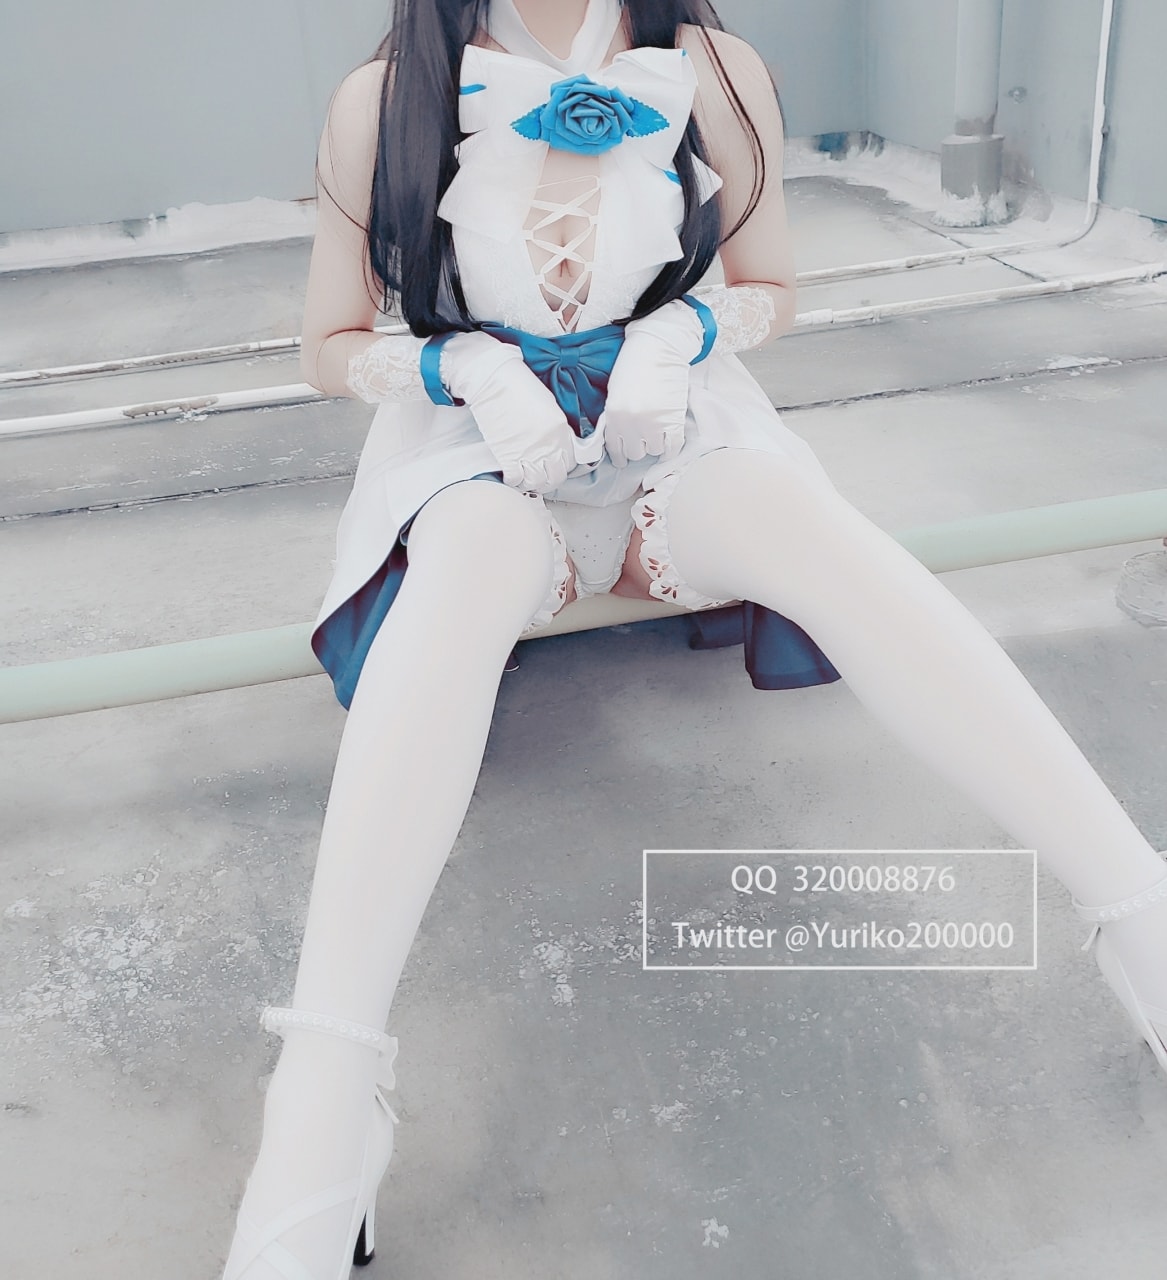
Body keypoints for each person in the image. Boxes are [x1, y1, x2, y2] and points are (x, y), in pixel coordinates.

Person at [220, 1, 1167, 1276]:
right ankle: (326, 1093)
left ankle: (1141, 915)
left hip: (677, 428)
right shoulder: (382, 98)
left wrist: (679, 335)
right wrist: (466, 373)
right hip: (479, 453)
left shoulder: (714, 68)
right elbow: (326, 345)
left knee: (804, 520)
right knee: (470, 555)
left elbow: (772, 285)